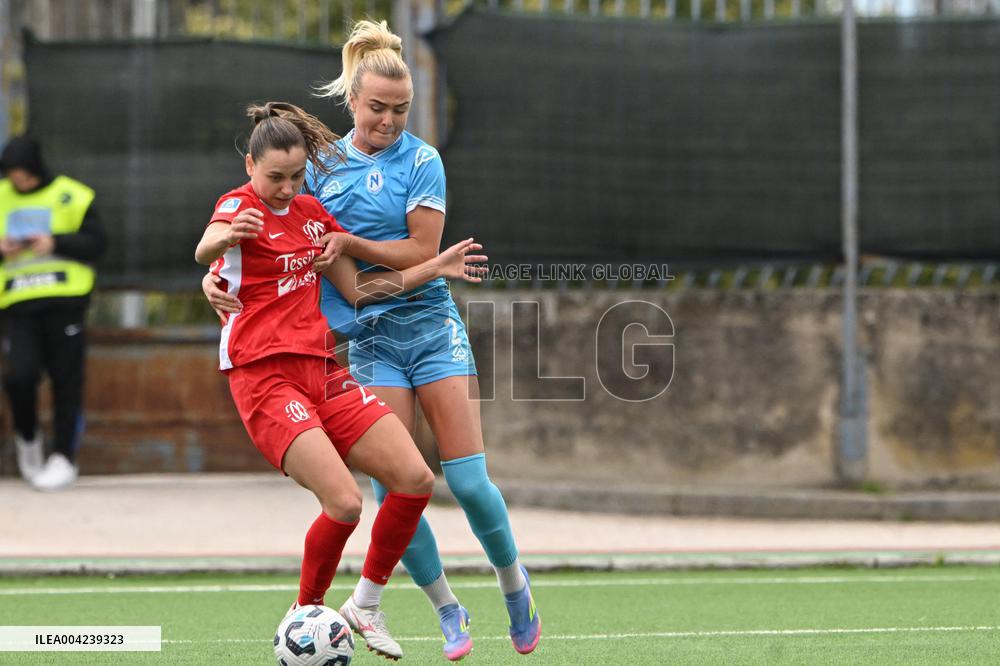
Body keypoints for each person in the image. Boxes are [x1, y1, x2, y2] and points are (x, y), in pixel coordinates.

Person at [204, 20, 541, 661]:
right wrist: (211, 275)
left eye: (401, 109)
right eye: (378, 107)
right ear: (353, 102)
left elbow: (413, 251)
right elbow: (255, 227)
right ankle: (444, 607)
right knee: (390, 487)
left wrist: (364, 247)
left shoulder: (421, 161)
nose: (389, 120)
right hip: (361, 340)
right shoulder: (315, 169)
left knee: (466, 482)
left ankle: (513, 584)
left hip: (430, 326)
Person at [0, 136, 106, 491]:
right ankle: (27, 438)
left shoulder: (72, 195)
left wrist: (55, 242)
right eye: (12, 175)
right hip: (17, 306)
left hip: (66, 303)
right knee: (19, 377)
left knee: (66, 380)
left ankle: (63, 457)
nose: (19, 181)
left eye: (24, 174)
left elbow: (97, 243)